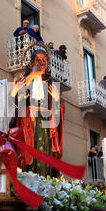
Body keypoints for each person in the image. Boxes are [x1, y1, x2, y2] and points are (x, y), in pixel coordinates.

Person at [9, 49, 64, 177]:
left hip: (46, 127)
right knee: (28, 154)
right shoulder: (25, 80)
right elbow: (14, 102)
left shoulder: (50, 83)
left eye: (44, 60)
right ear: (32, 63)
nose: (41, 62)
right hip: (29, 123)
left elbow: (57, 111)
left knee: (45, 154)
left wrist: (56, 99)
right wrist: (15, 90)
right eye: (38, 60)